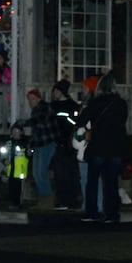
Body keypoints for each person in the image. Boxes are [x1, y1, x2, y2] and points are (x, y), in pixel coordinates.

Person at [77, 73, 128, 223]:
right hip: (116, 147)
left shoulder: (95, 103)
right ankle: (112, 214)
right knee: (111, 182)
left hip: (98, 146)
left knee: (92, 181)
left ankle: (92, 212)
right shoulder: (121, 103)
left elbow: (81, 121)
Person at [25, 89, 61, 209]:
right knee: (36, 173)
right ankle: (42, 200)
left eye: (33, 99)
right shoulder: (35, 111)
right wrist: (30, 145)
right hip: (39, 143)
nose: (31, 102)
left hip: (48, 143)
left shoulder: (45, 108)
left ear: (39, 98)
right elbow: (36, 131)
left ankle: (48, 200)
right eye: (29, 99)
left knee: (41, 172)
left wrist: (24, 123)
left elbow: (38, 122)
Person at [72, 75, 102, 213]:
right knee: (84, 177)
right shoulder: (84, 105)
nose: (82, 90)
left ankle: (98, 205)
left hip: (89, 145)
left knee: (94, 177)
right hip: (82, 145)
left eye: (84, 88)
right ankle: (87, 204)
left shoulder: (93, 105)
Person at [50, 79, 80, 210]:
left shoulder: (72, 106)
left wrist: (64, 117)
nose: (54, 93)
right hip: (57, 143)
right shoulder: (53, 106)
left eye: (57, 90)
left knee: (69, 173)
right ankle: (61, 200)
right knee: (58, 173)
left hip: (69, 144)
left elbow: (75, 123)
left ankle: (71, 201)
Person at [0, 121, 30, 209]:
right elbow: (3, 153)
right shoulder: (9, 143)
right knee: (12, 187)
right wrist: (4, 160)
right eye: (13, 131)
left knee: (20, 188)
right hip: (11, 169)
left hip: (20, 170)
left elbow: (29, 154)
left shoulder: (25, 143)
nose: (15, 133)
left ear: (21, 132)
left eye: (17, 131)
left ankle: (18, 203)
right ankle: (13, 202)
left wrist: (29, 153)